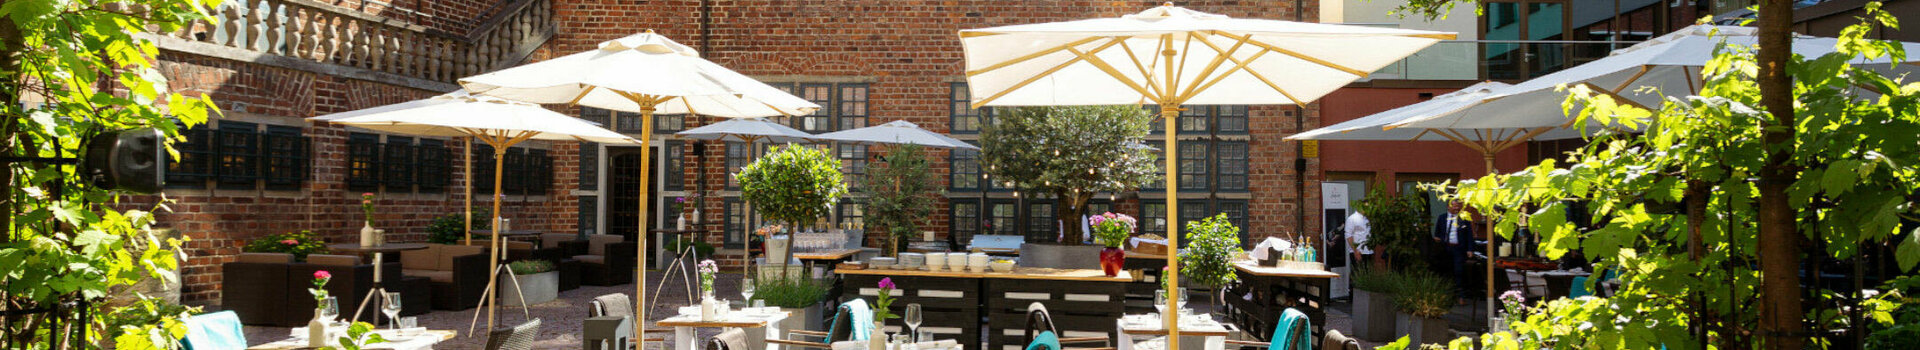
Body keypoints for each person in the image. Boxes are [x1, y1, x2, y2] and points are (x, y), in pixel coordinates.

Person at [1433, 200, 1474, 305]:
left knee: (1459, 271)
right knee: (1446, 271)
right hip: (1445, 248)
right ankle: (1446, 295)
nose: (1456, 208)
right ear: (1448, 207)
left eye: (1458, 206)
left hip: (1458, 249)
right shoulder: (1442, 218)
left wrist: (1470, 249)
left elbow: (1469, 235)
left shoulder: (1464, 219)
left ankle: (1461, 296)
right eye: (1454, 206)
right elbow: (1437, 233)